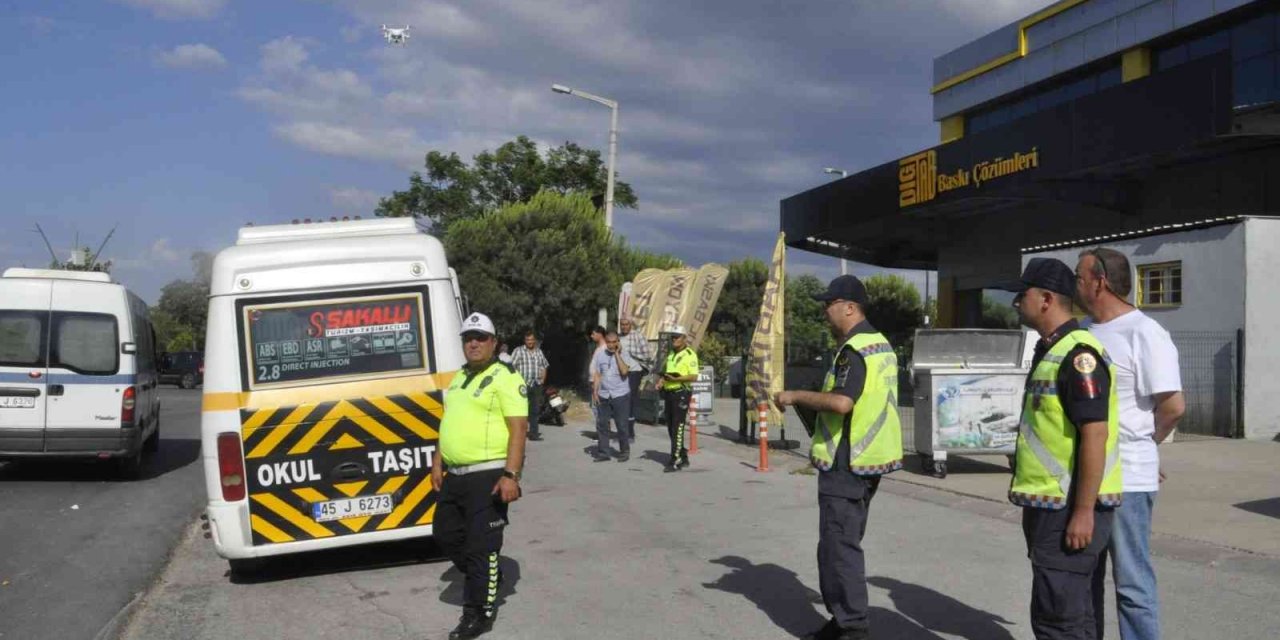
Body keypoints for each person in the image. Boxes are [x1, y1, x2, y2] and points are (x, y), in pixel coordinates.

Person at [772, 274, 903, 640]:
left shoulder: (854, 349)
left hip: (848, 463)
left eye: (828, 306)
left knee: (838, 549)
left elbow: (843, 402)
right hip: (869, 460)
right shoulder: (882, 345)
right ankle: (842, 620)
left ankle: (852, 629)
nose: (824, 313)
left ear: (849, 307)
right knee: (841, 544)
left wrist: (796, 396)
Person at [1005, 258, 1123, 640]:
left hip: (1068, 506)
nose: (1016, 303)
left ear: (1045, 299)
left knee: (1060, 618)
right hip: (1053, 504)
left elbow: (1095, 434)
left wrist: (1084, 512)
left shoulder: (1078, 355)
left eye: (1022, 295)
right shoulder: (1053, 349)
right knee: (1072, 611)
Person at [1074, 248, 1185, 640]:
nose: (1076, 284)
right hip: (1085, 479)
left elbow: (1172, 406)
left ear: (1099, 282)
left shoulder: (1146, 332)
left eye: (1079, 276)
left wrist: (1144, 447)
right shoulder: (1083, 332)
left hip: (1129, 482)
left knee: (1132, 583)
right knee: (1083, 580)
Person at [431, 312, 528, 639]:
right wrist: (437, 460)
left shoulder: (505, 376)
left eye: (480, 337)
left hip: (488, 476)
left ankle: (478, 615)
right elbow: (449, 421)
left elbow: (519, 428)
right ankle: (488, 574)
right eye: (468, 338)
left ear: (494, 342)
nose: (473, 343)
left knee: (481, 547)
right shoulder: (459, 377)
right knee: (445, 534)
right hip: (455, 475)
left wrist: (511, 475)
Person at [659, 325, 699, 472]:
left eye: (677, 337)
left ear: (684, 338)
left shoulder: (690, 354)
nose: (674, 340)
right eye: (672, 337)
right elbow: (668, 373)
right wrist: (662, 380)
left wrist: (677, 379)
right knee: (670, 427)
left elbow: (694, 376)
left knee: (678, 427)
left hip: (681, 392)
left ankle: (674, 460)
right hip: (669, 392)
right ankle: (683, 455)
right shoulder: (671, 353)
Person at [591, 330, 632, 462]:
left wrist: (616, 354)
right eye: (609, 342)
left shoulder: (624, 354)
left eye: (614, 342)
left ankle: (624, 451)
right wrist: (595, 391)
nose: (611, 345)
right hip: (604, 394)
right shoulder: (600, 354)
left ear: (618, 342)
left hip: (620, 394)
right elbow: (597, 374)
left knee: (621, 425)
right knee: (602, 424)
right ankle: (604, 453)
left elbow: (625, 371)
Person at [509, 331, 550, 442]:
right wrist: (514, 381)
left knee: (535, 410)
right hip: (522, 385)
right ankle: (518, 432)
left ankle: (534, 434)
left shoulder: (539, 352)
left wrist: (542, 380)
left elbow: (544, 366)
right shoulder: (518, 351)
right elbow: (510, 367)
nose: (530, 342)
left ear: (534, 340)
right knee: (520, 410)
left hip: (536, 384)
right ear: (525, 341)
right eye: (528, 340)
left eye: (531, 340)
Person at [619, 317, 653, 442]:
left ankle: (630, 433)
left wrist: (641, 362)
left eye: (626, 324)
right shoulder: (618, 338)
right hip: (621, 373)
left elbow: (648, 353)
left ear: (631, 325)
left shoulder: (638, 336)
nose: (624, 327)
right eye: (622, 324)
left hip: (634, 371)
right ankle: (624, 431)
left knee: (630, 399)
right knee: (622, 400)